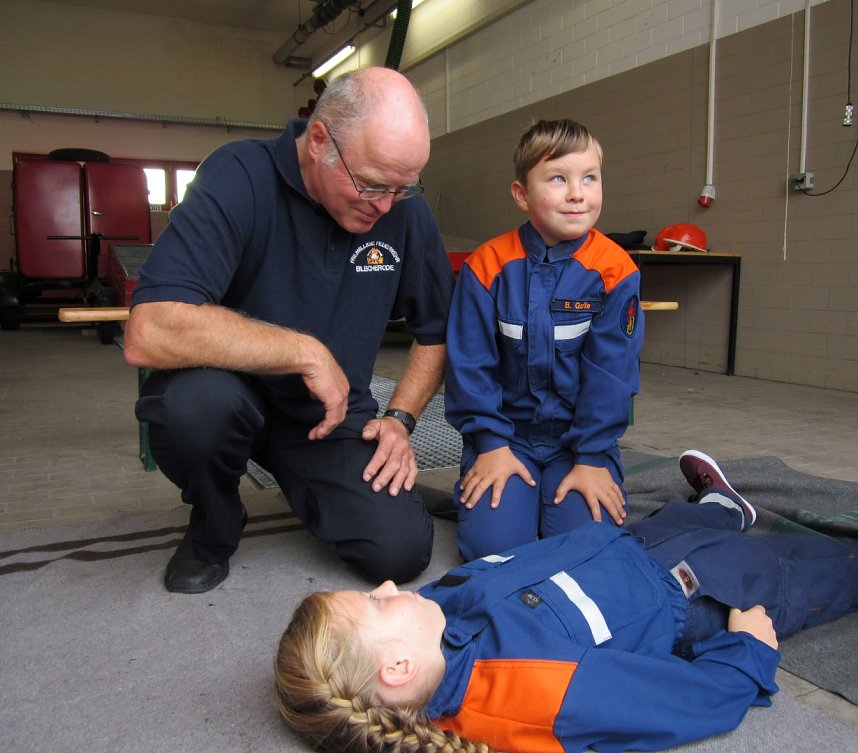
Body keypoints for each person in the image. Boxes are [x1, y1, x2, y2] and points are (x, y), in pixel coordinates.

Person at [274, 450, 858, 753]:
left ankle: (722, 509)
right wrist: (747, 653)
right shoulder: (534, 692)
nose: (385, 587)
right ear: (398, 668)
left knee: (682, 518)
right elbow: (679, 704)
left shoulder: (431, 621)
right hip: (696, 592)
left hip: (625, 547)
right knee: (806, 570)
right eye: (376, 606)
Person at [123, 67, 454, 594]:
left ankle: (320, 485)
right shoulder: (239, 176)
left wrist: (400, 418)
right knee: (193, 410)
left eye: (402, 188)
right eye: (370, 184)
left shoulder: (399, 206)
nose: (385, 206)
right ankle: (214, 523)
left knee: (400, 553)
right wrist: (302, 352)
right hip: (228, 397)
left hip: (331, 416)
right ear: (319, 139)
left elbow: (436, 330)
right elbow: (150, 328)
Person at [444, 119, 644, 561]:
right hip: (505, 436)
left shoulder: (616, 271)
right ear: (522, 194)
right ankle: (509, 493)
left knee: (589, 549)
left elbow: (612, 375)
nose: (578, 193)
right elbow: (468, 366)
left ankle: (569, 484)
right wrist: (491, 446)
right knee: (492, 551)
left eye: (589, 178)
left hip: (578, 442)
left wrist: (591, 458)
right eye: (558, 179)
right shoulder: (486, 267)